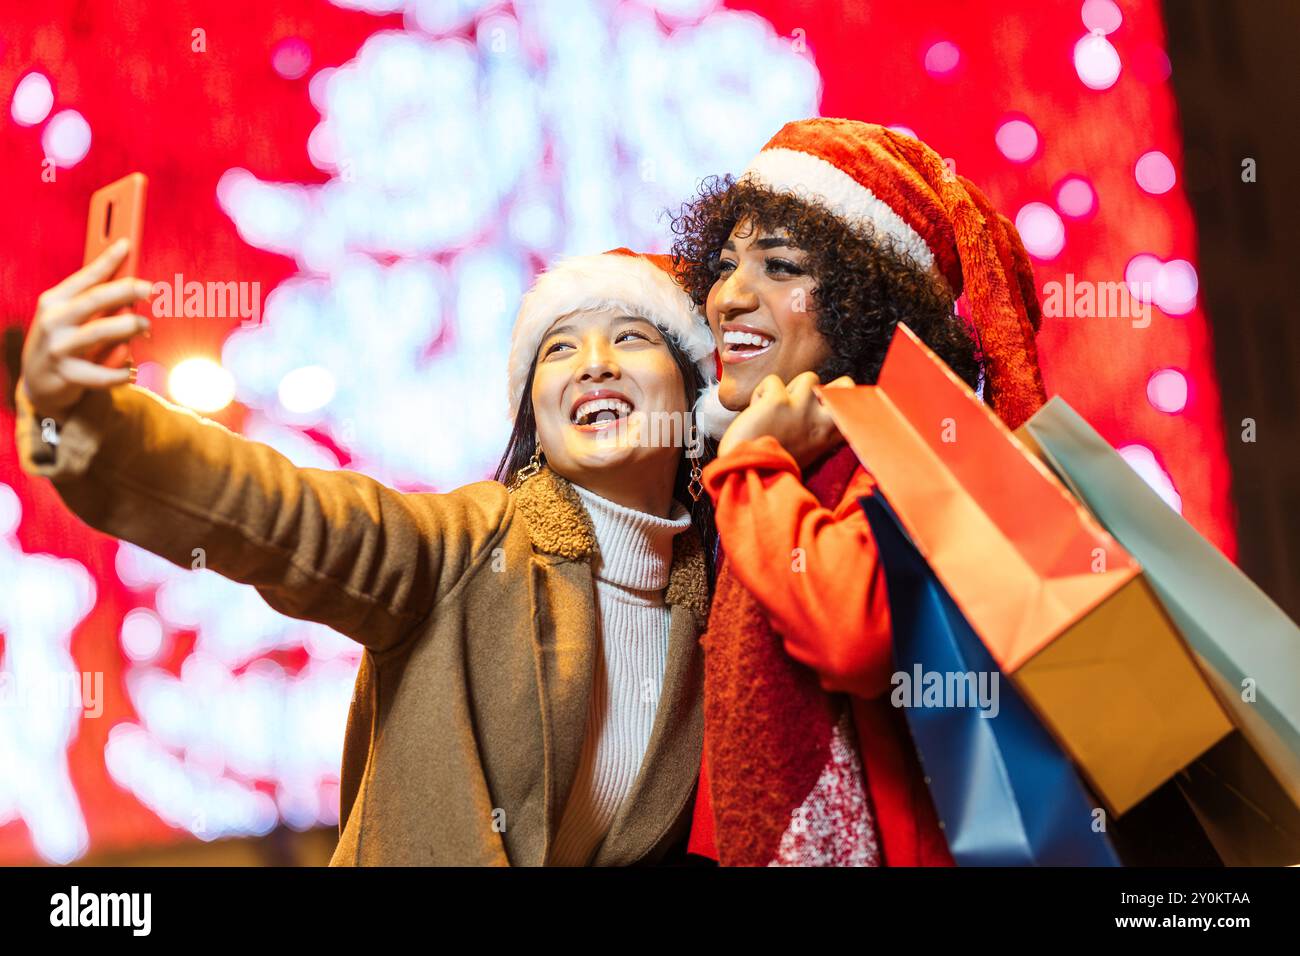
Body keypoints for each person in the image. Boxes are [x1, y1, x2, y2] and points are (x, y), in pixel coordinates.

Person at [15, 240, 718, 866]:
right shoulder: (469, 551)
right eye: (559, 348)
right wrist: (83, 420)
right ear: (535, 412)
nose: (593, 364)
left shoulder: (718, 620)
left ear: (692, 395)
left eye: (629, 337)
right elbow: (279, 512)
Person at [674, 118, 1048, 866]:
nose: (729, 298)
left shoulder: (927, 443)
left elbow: (853, 632)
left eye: (780, 267)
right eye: (724, 265)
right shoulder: (796, 461)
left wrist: (750, 463)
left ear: (864, 298)